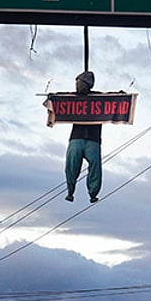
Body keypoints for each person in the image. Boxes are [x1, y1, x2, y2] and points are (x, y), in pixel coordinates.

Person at [64, 71, 102, 203]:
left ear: (87, 85)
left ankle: (93, 192)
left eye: (80, 84)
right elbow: (61, 98)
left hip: (93, 139)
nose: (77, 87)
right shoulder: (73, 98)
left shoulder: (99, 97)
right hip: (77, 137)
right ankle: (70, 191)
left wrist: (121, 96)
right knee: (71, 164)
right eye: (77, 84)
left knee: (95, 166)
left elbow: (112, 98)